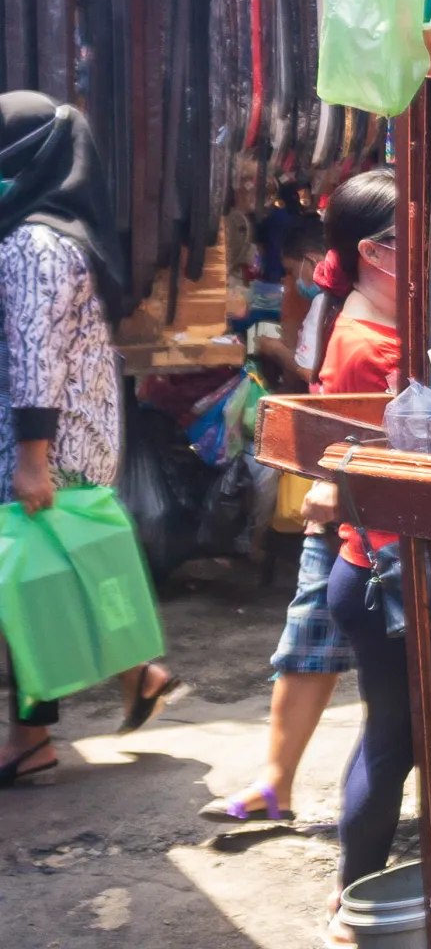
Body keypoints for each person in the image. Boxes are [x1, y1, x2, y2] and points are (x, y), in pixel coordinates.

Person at [204, 172, 397, 827]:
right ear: (374, 251)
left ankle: (276, 782)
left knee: (312, 646)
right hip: (361, 524)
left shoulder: (354, 308)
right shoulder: (366, 329)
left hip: (345, 515)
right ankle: (276, 781)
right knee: (320, 652)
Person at [0, 93, 180, 787]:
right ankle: (130, 679)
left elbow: (35, 354)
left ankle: (34, 734)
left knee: (29, 580)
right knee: (53, 575)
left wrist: (31, 459)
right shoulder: (48, 233)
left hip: (53, 443)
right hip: (62, 436)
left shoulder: (34, 243)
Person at [313, 170, 409, 944]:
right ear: (378, 254)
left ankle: (356, 896)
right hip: (380, 578)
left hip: (368, 571)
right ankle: (355, 906)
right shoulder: (370, 347)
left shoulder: (371, 328)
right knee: (392, 742)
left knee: (389, 733)